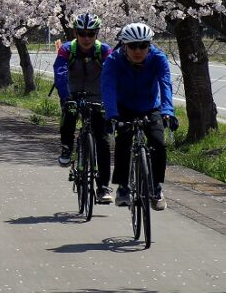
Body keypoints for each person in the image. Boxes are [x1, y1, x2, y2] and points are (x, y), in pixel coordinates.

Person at [101, 22, 178, 210]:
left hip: (150, 106)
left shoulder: (158, 58)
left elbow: (165, 84)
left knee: (158, 142)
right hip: (123, 106)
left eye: (143, 45)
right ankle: (123, 187)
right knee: (124, 142)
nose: (138, 50)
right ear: (124, 45)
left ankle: (156, 186)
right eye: (133, 46)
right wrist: (111, 115)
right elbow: (108, 88)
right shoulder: (113, 61)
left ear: (149, 45)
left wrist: (168, 111)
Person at [53, 13, 114, 203]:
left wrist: (112, 100)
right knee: (70, 112)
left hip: (98, 97)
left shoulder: (103, 50)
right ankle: (66, 147)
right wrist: (66, 96)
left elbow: (113, 75)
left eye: (90, 34)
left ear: (96, 33)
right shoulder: (66, 49)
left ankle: (103, 187)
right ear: (76, 33)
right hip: (72, 93)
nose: (86, 38)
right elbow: (60, 73)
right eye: (82, 33)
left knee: (102, 141)